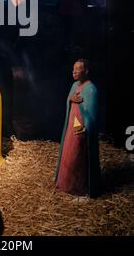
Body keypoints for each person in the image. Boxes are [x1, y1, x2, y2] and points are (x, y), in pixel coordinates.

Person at [55, 59, 100, 197]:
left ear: (86, 71)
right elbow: (70, 99)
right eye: (73, 68)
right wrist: (71, 99)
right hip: (72, 124)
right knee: (68, 153)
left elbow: (91, 114)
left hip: (80, 126)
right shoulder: (75, 85)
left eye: (78, 69)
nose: (74, 71)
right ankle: (66, 184)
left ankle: (79, 187)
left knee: (78, 153)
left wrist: (86, 129)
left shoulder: (91, 89)